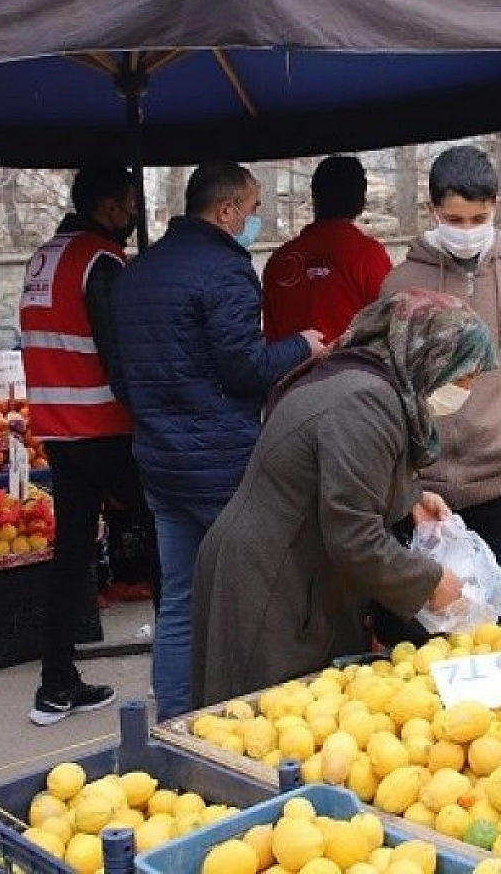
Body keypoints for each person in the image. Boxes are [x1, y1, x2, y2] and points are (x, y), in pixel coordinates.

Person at [191, 290, 495, 705]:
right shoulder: (364, 402)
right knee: (263, 717)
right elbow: (354, 534)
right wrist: (430, 581)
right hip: (272, 579)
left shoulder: (367, 381)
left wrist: (409, 499)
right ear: (429, 358)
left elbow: (343, 477)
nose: (466, 392)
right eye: (463, 378)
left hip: (298, 567)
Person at [107, 162, 322, 720]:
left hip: (159, 463)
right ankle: (248, 719)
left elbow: (122, 376)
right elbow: (245, 368)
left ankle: (175, 719)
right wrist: (302, 345)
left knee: (179, 600)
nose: (256, 219)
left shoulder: (137, 270)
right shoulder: (226, 271)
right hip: (224, 466)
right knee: (253, 594)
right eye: (253, 209)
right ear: (227, 210)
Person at [379, 145, 501, 568]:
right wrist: (401, 480)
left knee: (489, 604)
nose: (467, 231)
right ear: (433, 210)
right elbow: (381, 391)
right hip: (418, 494)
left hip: (497, 486)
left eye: (478, 219)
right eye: (454, 220)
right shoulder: (400, 286)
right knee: (421, 607)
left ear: (495, 207)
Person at [19, 164, 152, 725]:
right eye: (129, 205)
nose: (134, 215)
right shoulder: (101, 262)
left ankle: (55, 685)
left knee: (70, 555)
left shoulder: (43, 258)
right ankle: (177, 677)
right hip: (106, 426)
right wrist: (150, 415)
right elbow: (119, 353)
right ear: (108, 207)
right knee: (161, 538)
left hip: (58, 430)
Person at [262, 155, 393, 343]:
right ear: (361, 201)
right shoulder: (370, 256)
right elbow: (386, 326)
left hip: (290, 362)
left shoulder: (279, 261)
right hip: (351, 361)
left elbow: (270, 338)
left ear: (314, 197)